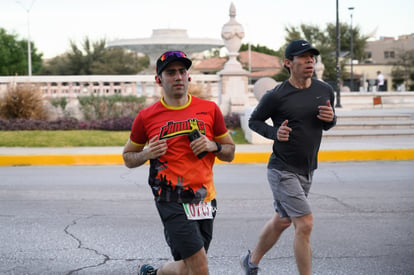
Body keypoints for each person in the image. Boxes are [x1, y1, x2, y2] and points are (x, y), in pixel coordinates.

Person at [122, 50, 235, 275]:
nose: (178, 77)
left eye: (182, 71)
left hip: (205, 198)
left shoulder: (209, 109)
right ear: (159, 79)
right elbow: (128, 157)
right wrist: (147, 153)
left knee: (188, 267)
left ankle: (154, 274)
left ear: (188, 76)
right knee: (200, 266)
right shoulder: (147, 116)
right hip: (170, 198)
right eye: (171, 72)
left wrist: (214, 146)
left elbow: (230, 152)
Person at [240, 40, 336, 275]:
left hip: (307, 169)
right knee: (304, 224)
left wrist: (330, 119)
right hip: (282, 169)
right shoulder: (277, 95)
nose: (309, 61)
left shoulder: (325, 90)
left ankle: (250, 262)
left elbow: (327, 124)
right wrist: (275, 133)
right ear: (288, 63)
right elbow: (254, 121)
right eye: (303, 57)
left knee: (282, 220)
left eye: (312, 57)